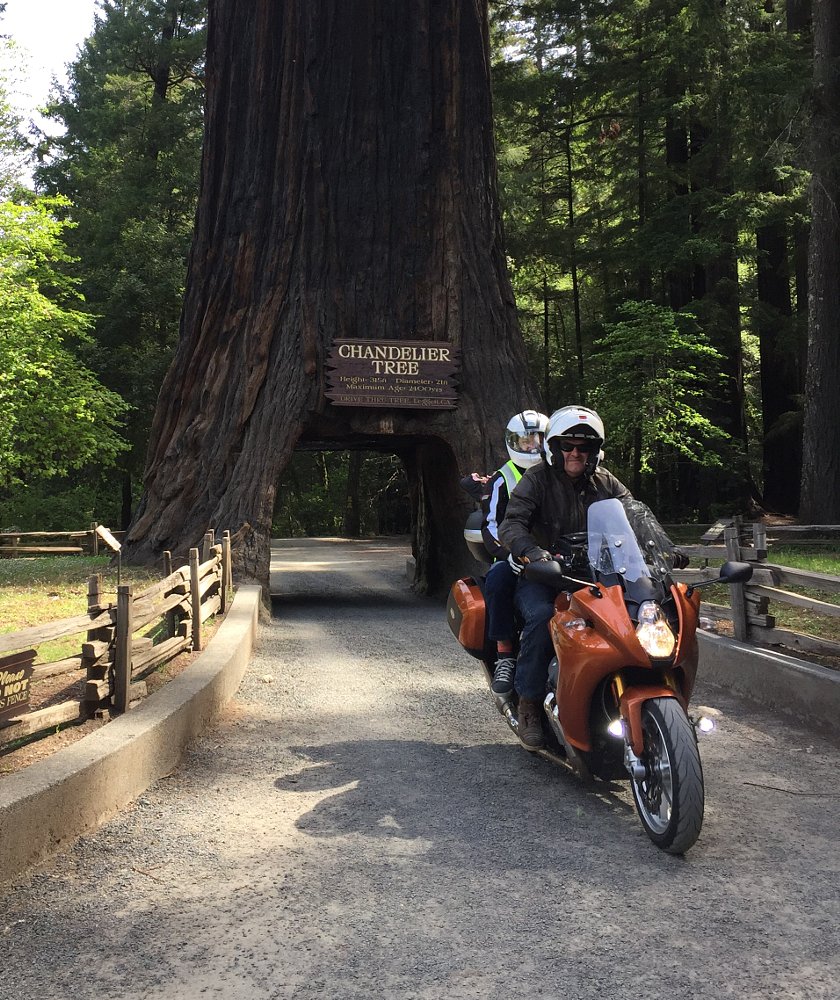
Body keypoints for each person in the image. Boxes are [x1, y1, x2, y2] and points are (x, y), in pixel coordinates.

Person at [498, 405, 631, 749]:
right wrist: (532, 552)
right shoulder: (537, 478)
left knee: (635, 617)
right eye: (567, 446)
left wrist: (662, 547)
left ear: (594, 452)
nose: (575, 453)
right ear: (555, 448)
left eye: (583, 447)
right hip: (545, 575)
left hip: (598, 575)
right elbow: (511, 523)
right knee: (544, 617)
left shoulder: (606, 482)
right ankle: (528, 703)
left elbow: (633, 512)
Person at [460, 410, 549, 697]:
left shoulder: (555, 475)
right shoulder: (503, 477)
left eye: (537, 440)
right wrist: (509, 554)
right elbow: (492, 524)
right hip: (512, 557)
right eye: (525, 441)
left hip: (552, 557)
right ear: (513, 442)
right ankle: (505, 654)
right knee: (497, 580)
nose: (531, 446)